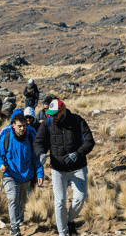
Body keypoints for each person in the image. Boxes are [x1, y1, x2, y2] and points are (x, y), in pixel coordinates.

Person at [34, 99, 95, 236]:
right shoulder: (47, 123)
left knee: (81, 197)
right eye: (50, 114)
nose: (52, 117)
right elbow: (39, 141)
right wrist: (41, 153)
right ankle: (62, 233)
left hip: (78, 168)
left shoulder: (77, 120)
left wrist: (78, 154)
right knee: (60, 202)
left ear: (63, 110)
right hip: (57, 170)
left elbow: (90, 141)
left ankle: (70, 220)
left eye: (55, 114)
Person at [0, 113, 45, 236]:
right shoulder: (6, 136)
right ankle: (14, 228)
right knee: (13, 199)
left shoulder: (31, 136)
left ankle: (18, 219)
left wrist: (40, 173)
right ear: (13, 126)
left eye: (24, 126)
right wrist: (0, 165)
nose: (22, 128)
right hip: (10, 174)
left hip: (26, 175)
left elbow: (36, 158)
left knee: (22, 201)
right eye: (20, 126)